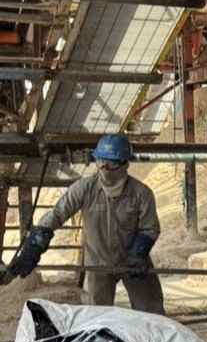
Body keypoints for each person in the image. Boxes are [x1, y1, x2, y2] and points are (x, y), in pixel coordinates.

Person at [0, 134, 165, 313]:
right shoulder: (85, 188)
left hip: (133, 260)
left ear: (125, 163)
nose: (104, 167)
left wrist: (137, 254)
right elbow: (56, 215)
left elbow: (150, 229)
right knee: (95, 316)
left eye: (111, 163)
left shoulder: (141, 193)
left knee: (151, 311)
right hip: (98, 263)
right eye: (101, 161)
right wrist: (34, 245)